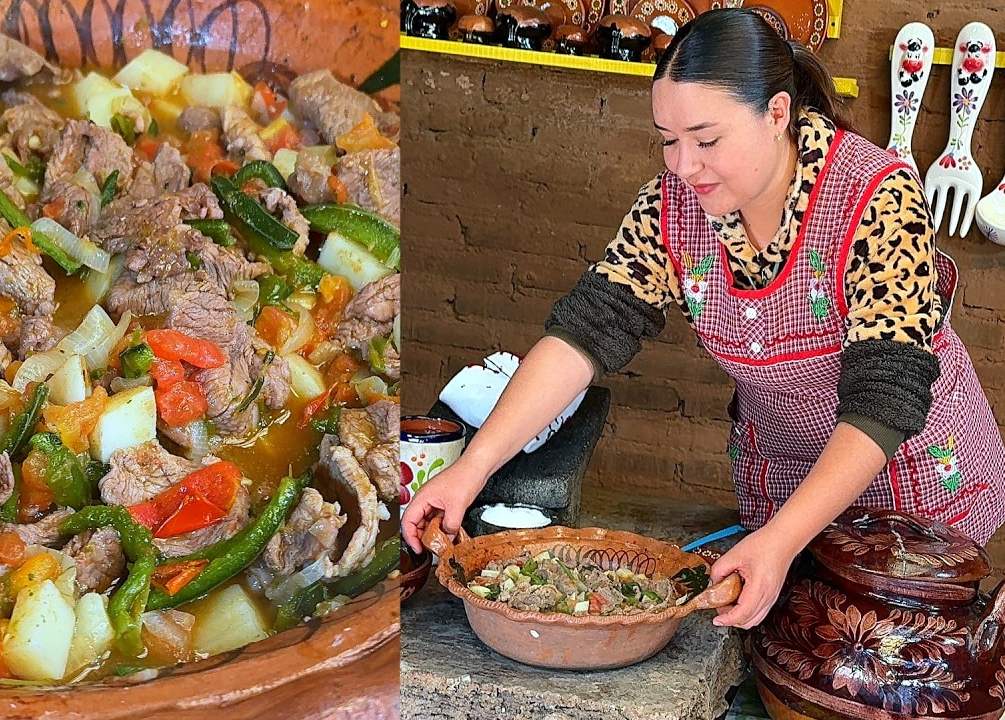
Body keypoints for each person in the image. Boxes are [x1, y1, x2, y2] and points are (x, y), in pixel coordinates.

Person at [401, 8, 1005, 630]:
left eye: (706, 139)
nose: (683, 165)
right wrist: (471, 470)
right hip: (783, 474)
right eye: (668, 139)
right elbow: (587, 331)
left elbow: (885, 395)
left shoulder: (876, 195)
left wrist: (782, 539)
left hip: (910, 488)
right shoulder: (672, 206)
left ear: (775, 114)